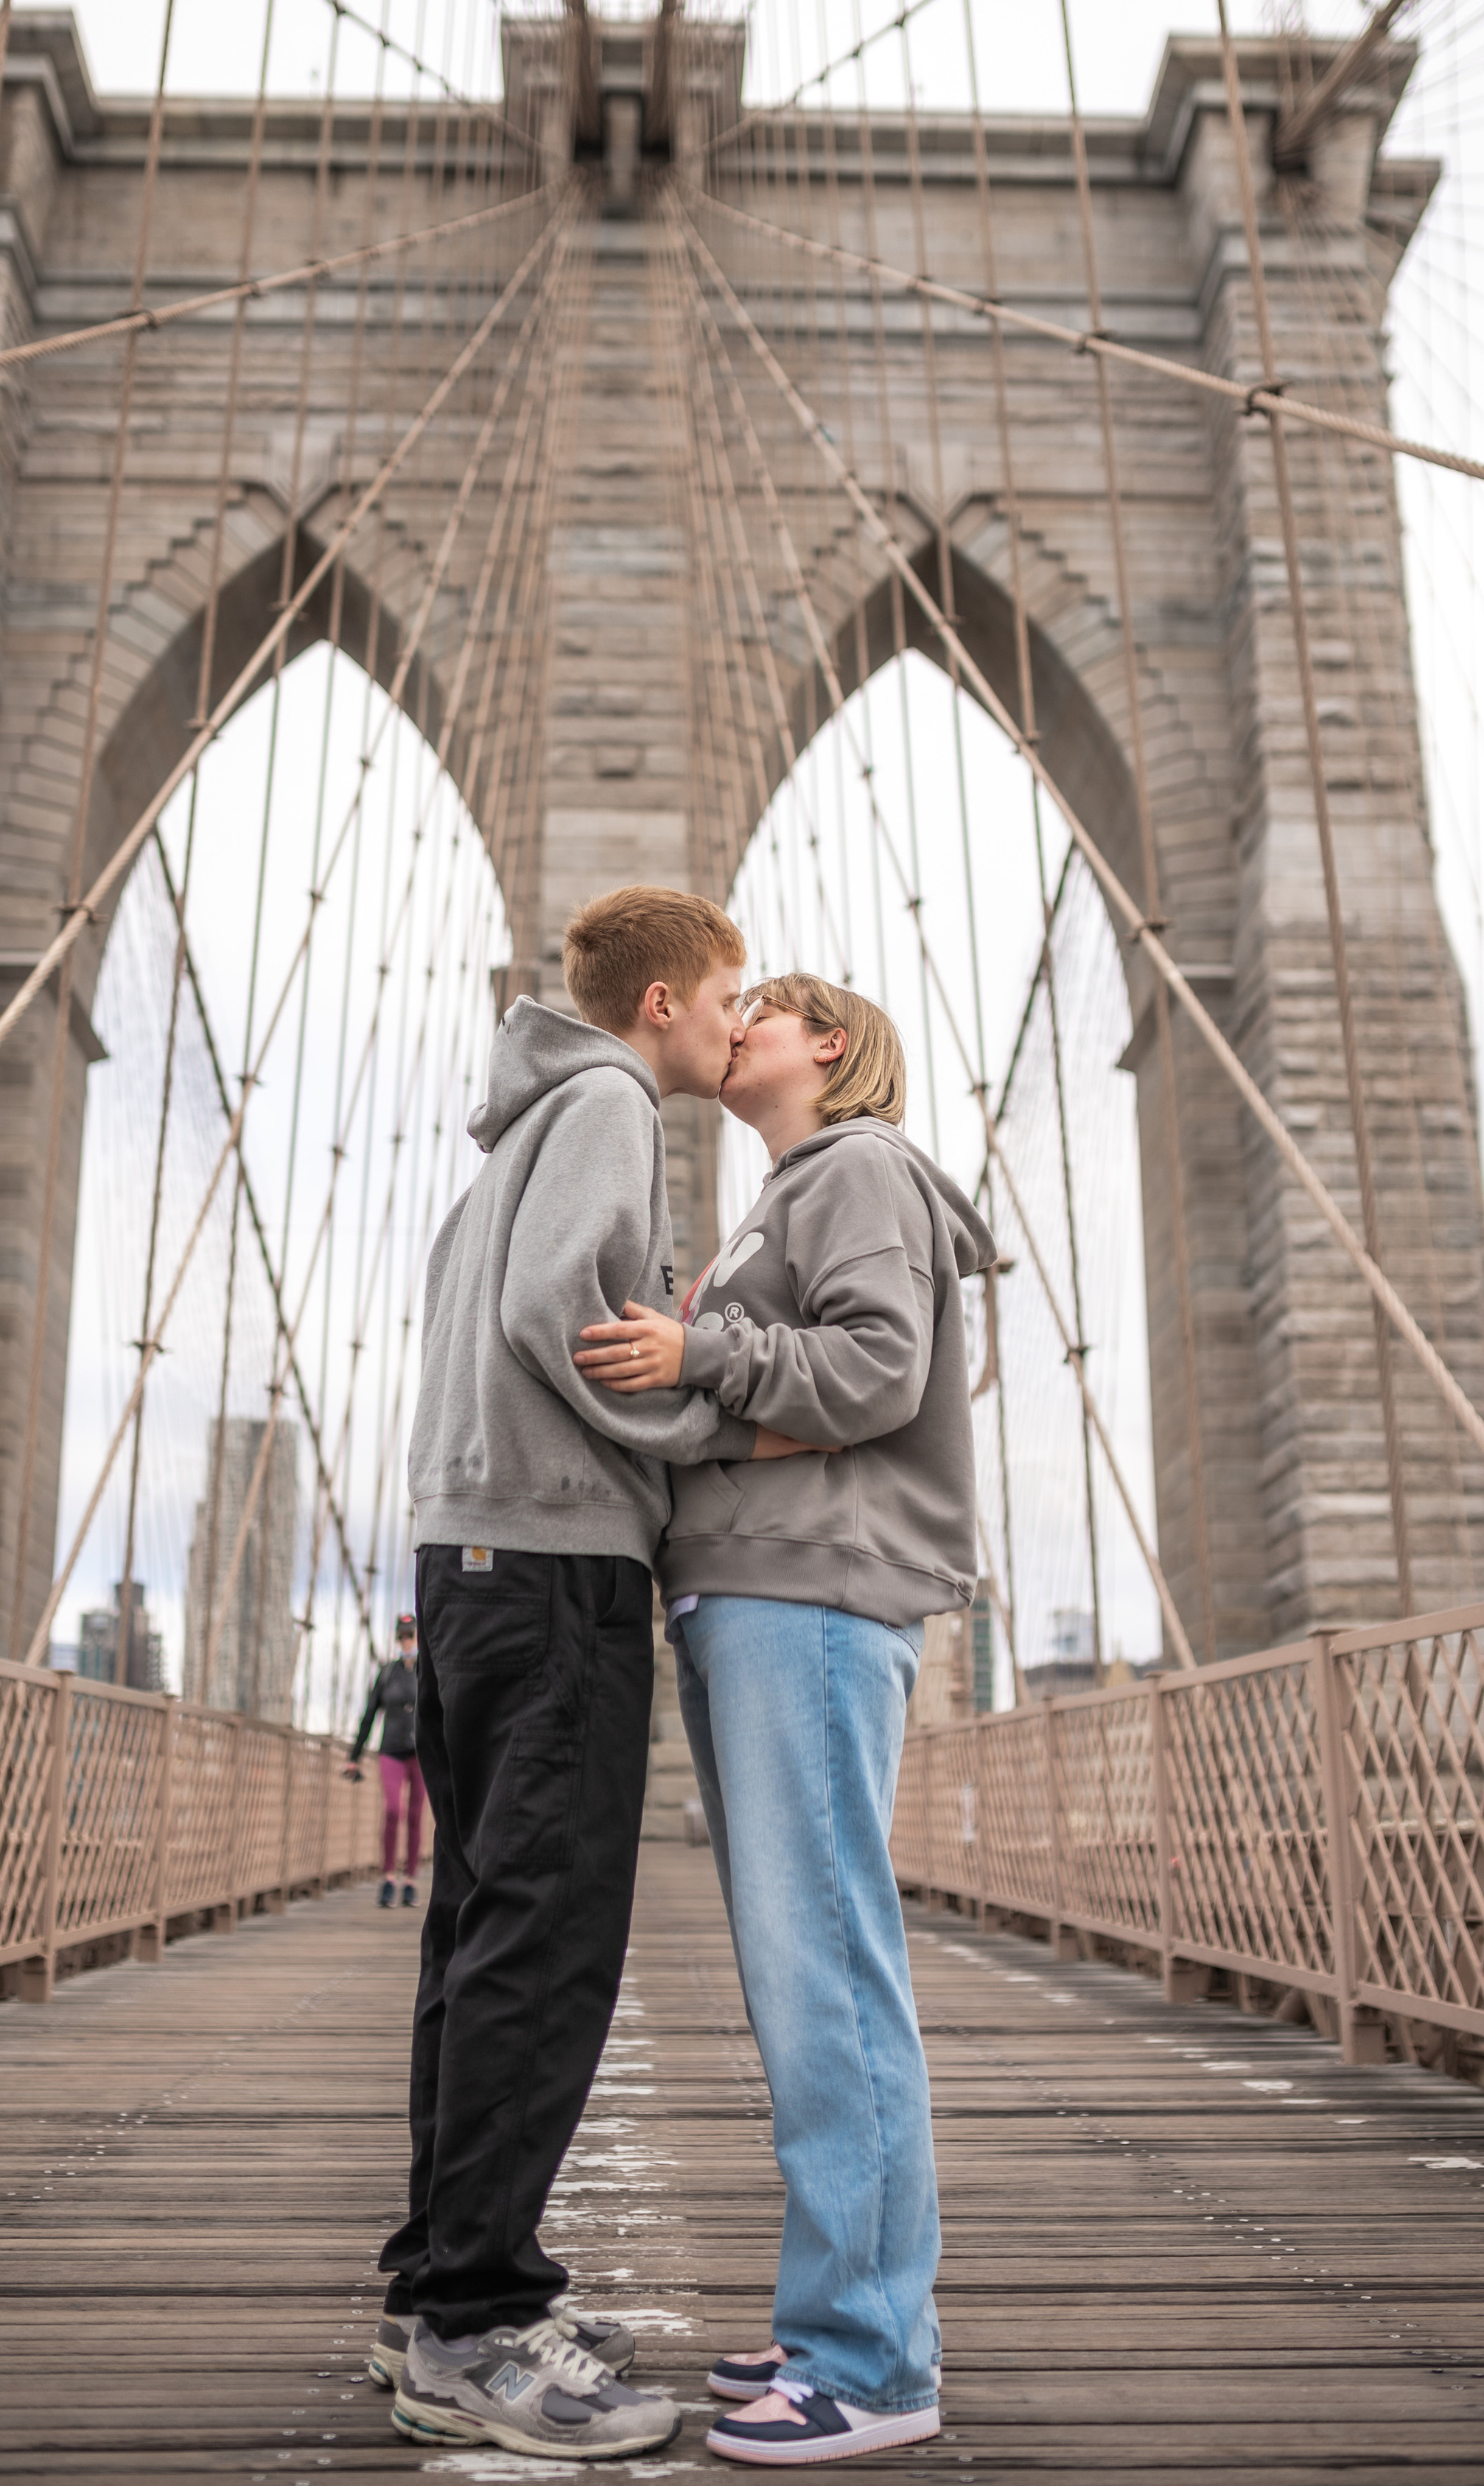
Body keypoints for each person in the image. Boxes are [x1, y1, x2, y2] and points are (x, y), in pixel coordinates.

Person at [376, 887, 810, 2464]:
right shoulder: (614, 1102)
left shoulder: (523, 1125)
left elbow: (507, 1312)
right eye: (724, 996)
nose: (731, 1021)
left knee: (483, 1928)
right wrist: (703, 1423)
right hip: (552, 1563)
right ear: (658, 1006)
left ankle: (441, 2290)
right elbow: (560, 1314)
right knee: (548, 1941)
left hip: (470, 1563)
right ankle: (477, 2326)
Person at [576, 973, 993, 2467]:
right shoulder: (784, 1194)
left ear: (827, 1045)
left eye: (760, 1007)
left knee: (826, 1971)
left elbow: (878, 1368)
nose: (729, 1021)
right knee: (798, 1970)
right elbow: (811, 1382)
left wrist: (701, 1360)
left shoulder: (857, 1164)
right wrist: (718, 1388)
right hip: (755, 1593)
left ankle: (871, 2361)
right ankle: (843, 2306)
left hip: (810, 1602)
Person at [345, 1613, 424, 1909]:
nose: (407, 1641)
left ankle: (411, 1882)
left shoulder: (428, 1670)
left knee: (415, 1817)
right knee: (393, 1810)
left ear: (419, 1638)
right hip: (391, 1751)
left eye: (412, 1636)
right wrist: (354, 1757)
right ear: (397, 1639)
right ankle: (389, 1878)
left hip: (420, 1754)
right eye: (403, 1636)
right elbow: (369, 1715)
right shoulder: (387, 1673)